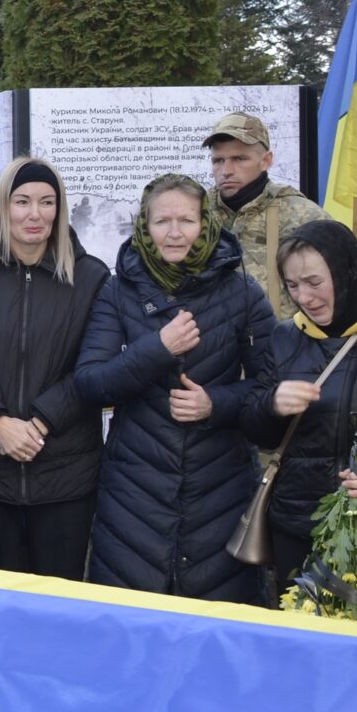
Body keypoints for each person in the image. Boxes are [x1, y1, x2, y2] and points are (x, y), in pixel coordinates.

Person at [75, 175, 276, 602]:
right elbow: (91, 382)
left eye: (186, 220)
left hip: (221, 486)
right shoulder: (118, 289)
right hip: (135, 489)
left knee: (220, 627)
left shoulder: (241, 290)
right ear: (144, 227)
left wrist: (215, 404)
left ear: (205, 224)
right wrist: (157, 349)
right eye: (161, 220)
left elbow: (269, 386)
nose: (174, 232)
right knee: (132, 622)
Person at [0, 158, 110, 580]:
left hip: (64, 474)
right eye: (23, 201)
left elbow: (96, 365)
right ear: (2, 207)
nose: (35, 214)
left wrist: (42, 420)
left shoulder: (91, 279)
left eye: (47, 202)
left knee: (58, 602)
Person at [242, 220, 357, 591]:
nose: (304, 297)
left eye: (314, 282)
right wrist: (271, 404)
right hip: (297, 525)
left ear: (347, 273)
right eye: (293, 285)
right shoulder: (286, 337)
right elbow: (256, 431)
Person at [205, 112, 330, 320]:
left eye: (239, 159)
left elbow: (339, 290)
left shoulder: (302, 216)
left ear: (266, 160)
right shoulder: (196, 214)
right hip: (213, 347)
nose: (226, 171)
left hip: (284, 346)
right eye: (218, 161)